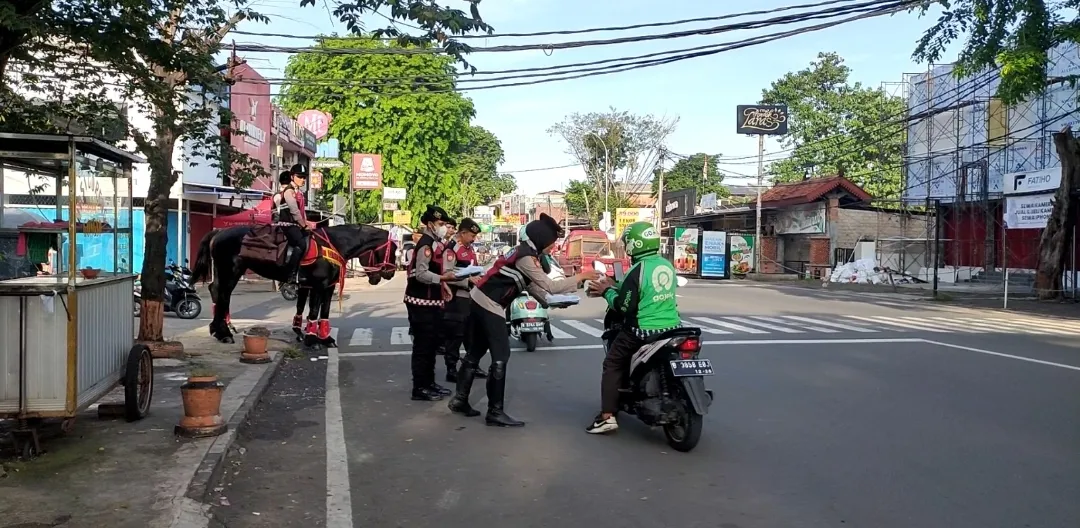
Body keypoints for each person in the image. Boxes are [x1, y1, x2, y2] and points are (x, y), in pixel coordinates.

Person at [447, 213, 600, 427]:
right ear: (541, 240)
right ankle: (495, 412)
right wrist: (582, 277)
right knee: (501, 356)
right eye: (551, 244)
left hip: (478, 299)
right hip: (490, 304)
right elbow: (550, 285)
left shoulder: (523, 253)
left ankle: (459, 400)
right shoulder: (526, 257)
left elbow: (532, 287)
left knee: (475, 352)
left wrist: (552, 303)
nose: (552, 249)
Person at [584, 221, 682, 434]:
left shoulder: (638, 269)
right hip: (673, 327)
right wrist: (615, 284)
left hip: (643, 330)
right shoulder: (666, 264)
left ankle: (607, 417)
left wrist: (605, 291)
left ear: (634, 245)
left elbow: (624, 306)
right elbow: (642, 289)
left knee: (612, 363)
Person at [404, 205, 459, 401]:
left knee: (432, 344)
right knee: (423, 346)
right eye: (441, 224)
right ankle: (420, 387)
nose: (444, 227)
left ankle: (429, 382)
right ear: (430, 225)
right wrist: (443, 280)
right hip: (420, 302)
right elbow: (421, 274)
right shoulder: (426, 245)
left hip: (431, 301)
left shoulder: (435, 243)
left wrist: (443, 286)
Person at [440, 218, 487, 383]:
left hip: (470, 297)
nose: (474, 238)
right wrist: (467, 280)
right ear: (463, 232)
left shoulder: (469, 248)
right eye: (472, 235)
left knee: (471, 335)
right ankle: (451, 369)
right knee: (455, 335)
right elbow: (446, 274)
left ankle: (471, 365)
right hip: (456, 297)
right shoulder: (452, 249)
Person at [271, 166, 312, 281]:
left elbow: (302, 213)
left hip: (295, 225)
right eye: (300, 177)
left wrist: (306, 224)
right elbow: (294, 211)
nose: (303, 180)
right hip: (287, 225)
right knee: (302, 244)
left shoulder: (298, 192)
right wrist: (303, 225)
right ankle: (291, 273)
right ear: (292, 177)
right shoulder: (289, 191)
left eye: (304, 177)